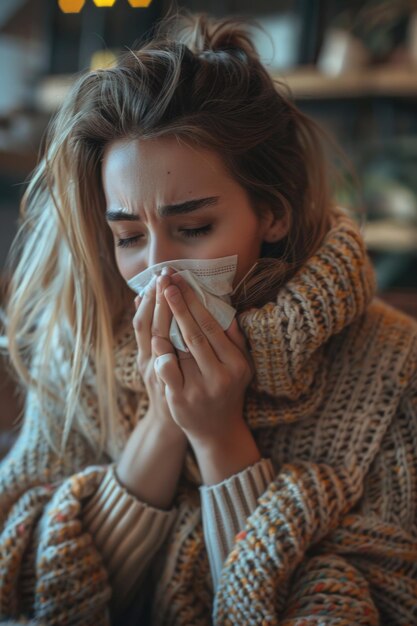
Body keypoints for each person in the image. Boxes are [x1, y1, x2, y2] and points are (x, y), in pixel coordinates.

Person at [0, 9, 416, 626]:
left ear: (272, 213)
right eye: (129, 236)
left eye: (193, 227)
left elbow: (372, 606)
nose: (160, 269)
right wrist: (164, 421)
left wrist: (220, 439)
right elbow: (27, 585)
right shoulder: (78, 343)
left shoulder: (394, 369)